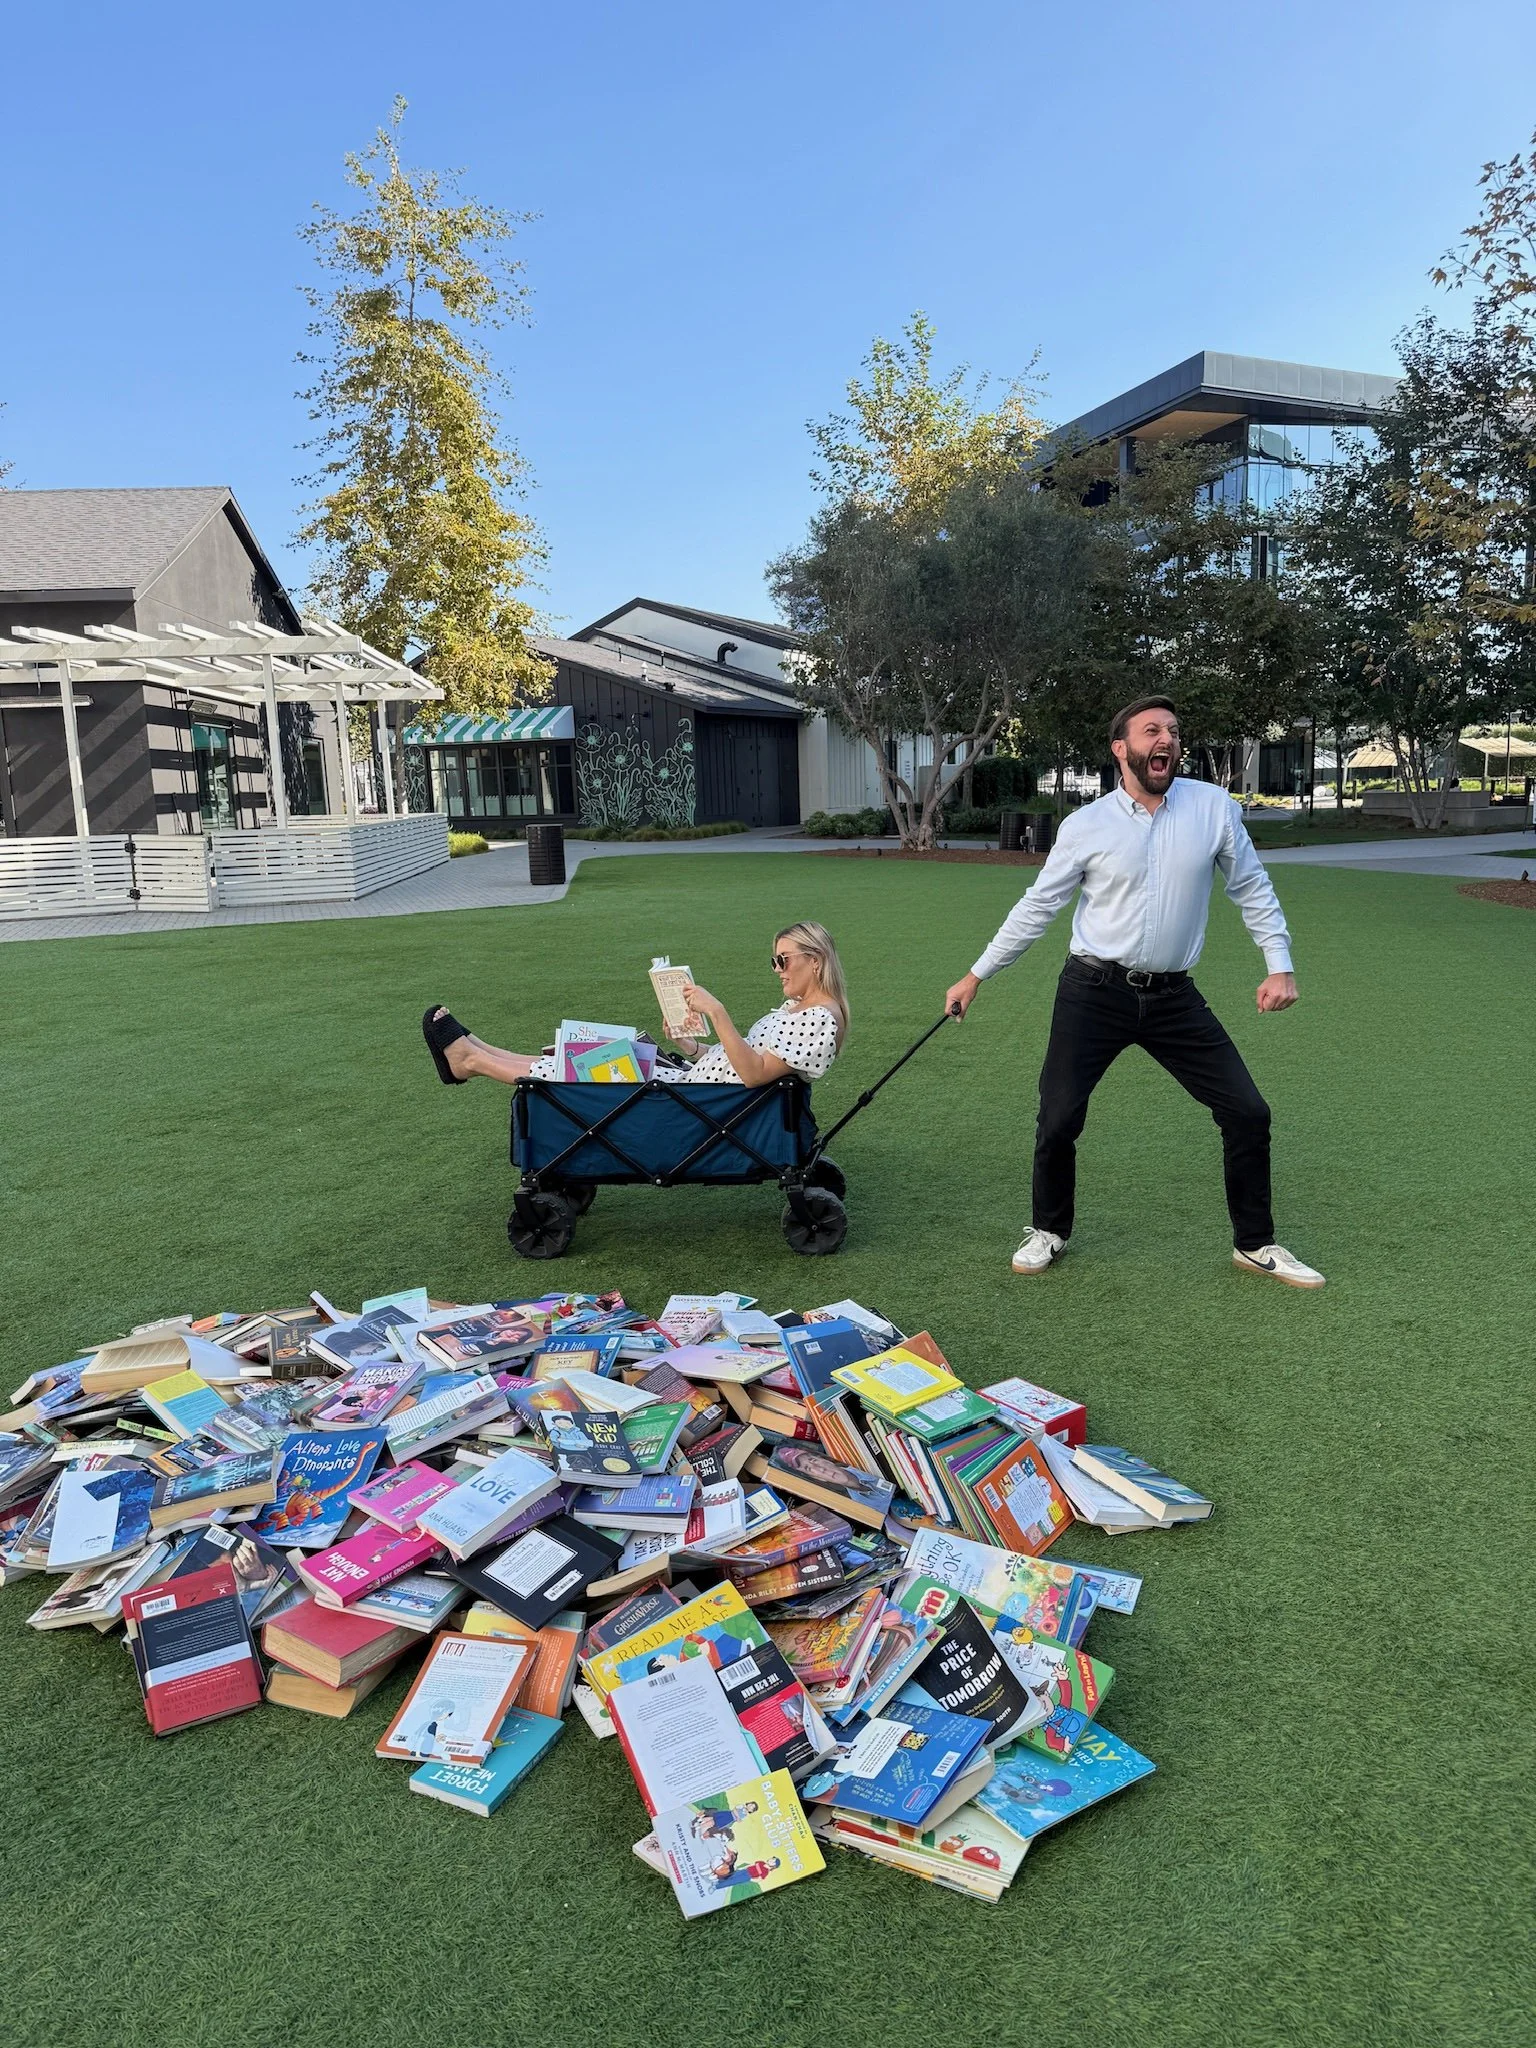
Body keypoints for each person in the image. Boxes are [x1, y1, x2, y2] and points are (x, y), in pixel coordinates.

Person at [944, 697, 1324, 1288]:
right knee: (1059, 1115)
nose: (1166, 739)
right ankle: (1049, 1229)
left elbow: (1251, 887)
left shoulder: (1214, 808)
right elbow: (1038, 906)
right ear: (1121, 748)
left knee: (1248, 1112)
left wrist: (1281, 966)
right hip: (1092, 991)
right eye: (1151, 731)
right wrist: (976, 975)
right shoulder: (1086, 825)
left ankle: (1255, 1243)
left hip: (1175, 998)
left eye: (1173, 730)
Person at [421, 920, 849, 1090]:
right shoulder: (799, 1012)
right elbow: (741, 1062)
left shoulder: (818, 1021)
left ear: (815, 961)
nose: (776, 968)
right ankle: (480, 1049)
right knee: (583, 1052)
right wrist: (691, 1046)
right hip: (690, 1082)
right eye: (774, 959)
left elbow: (755, 1076)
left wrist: (717, 1013)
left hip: (688, 1099)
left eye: (783, 959)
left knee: (576, 1067)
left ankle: (471, 1061)